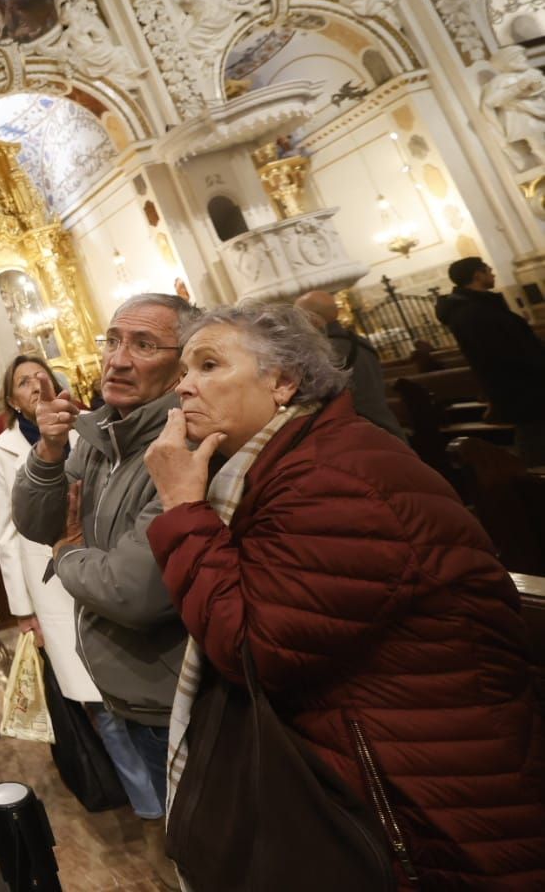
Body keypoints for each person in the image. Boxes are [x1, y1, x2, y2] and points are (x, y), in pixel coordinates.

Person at [144, 303, 545, 888]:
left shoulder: (332, 479)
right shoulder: (293, 462)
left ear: (283, 382)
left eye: (208, 365)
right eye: (183, 371)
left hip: (433, 799)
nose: (183, 386)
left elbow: (252, 647)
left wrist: (182, 508)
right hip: (392, 760)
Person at [13, 292, 197, 886]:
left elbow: (132, 590)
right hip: (129, 687)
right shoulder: (100, 435)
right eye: (113, 340)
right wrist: (48, 452)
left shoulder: (181, 444)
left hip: (179, 694)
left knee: (210, 850)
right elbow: (37, 522)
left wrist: (67, 554)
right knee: (177, 842)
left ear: (183, 363)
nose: (117, 359)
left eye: (143, 345)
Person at [0, 355, 162, 820]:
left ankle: (164, 791)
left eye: (41, 376)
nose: (35, 385)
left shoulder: (88, 426)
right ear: (13, 400)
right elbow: (6, 531)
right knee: (97, 703)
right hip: (49, 585)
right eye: (23, 382)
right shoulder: (2, 449)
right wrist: (23, 610)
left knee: (127, 683)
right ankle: (145, 802)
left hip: (98, 562)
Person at [435, 257, 545, 465]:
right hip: (520, 385)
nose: (493, 273)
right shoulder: (472, 312)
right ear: (478, 275)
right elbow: (502, 352)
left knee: (534, 434)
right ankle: (531, 477)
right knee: (534, 439)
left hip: (521, 384)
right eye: (488, 270)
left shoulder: (475, 307)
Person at [294, 289, 406, 440]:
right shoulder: (360, 342)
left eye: (299, 317)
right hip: (387, 426)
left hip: (362, 436)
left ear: (314, 319)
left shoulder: (322, 353)